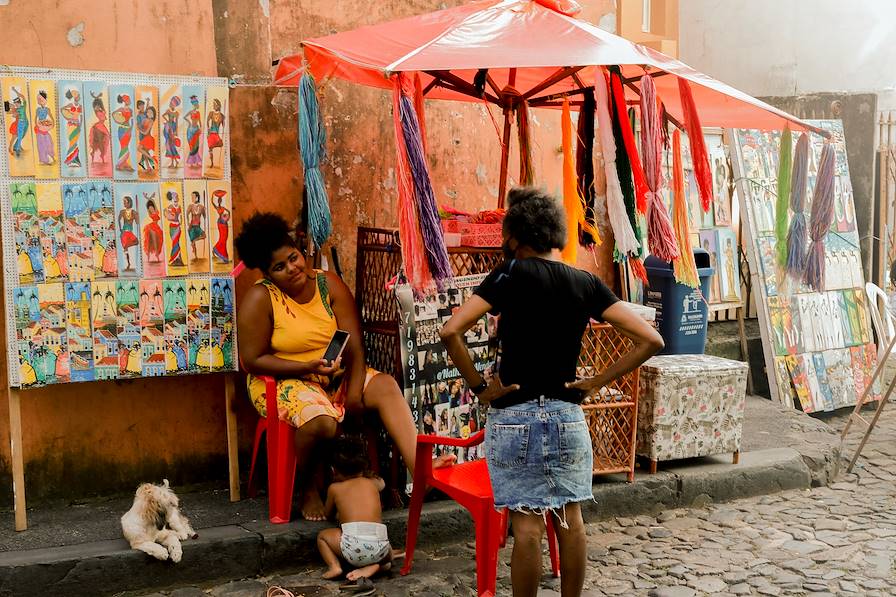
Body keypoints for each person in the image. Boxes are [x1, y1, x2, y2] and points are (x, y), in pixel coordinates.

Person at [440, 187, 663, 597]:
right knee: (570, 519)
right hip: (566, 414)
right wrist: (597, 381)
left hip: (514, 416)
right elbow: (650, 340)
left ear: (514, 237)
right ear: (555, 234)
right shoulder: (586, 283)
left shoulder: (508, 276)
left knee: (526, 527)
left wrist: (480, 387)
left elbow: (451, 330)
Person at [236, 212, 451, 520]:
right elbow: (254, 359)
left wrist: (353, 391)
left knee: (386, 386)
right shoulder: (261, 298)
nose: (292, 269)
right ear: (268, 274)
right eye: (279, 268)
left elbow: (354, 344)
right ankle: (308, 487)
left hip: (332, 374)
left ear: (299, 250)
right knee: (321, 420)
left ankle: (421, 474)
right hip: (284, 379)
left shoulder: (329, 285)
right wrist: (305, 367)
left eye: (293, 258)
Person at [317, 435, 397, 587]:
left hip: (354, 549)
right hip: (382, 549)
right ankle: (376, 566)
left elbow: (327, 514)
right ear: (364, 467)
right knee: (387, 562)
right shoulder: (373, 483)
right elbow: (382, 483)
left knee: (322, 537)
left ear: (333, 470)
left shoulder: (334, 489)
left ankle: (334, 567)